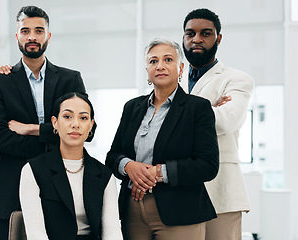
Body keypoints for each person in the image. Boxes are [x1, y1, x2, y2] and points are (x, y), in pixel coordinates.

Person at [0, 6, 88, 239]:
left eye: (39, 31)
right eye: (25, 31)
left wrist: (32, 129)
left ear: (48, 36)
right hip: (9, 190)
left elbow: (86, 131)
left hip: (60, 188)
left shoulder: (71, 79)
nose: (32, 36)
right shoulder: (0, 79)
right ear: (17, 36)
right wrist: (52, 142)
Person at [105, 38, 219, 240]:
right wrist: (129, 166)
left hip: (180, 212)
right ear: (147, 69)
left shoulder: (197, 108)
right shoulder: (132, 107)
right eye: (153, 61)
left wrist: (157, 173)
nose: (160, 66)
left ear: (180, 67)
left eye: (168, 60)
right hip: (132, 210)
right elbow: (113, 156)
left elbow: (207, 165)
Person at [181, 8, 254, 240]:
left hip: (221, 191)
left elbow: (225, 122)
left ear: (218, 38)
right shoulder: (172, 80)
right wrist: (210, 107)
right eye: (190, 33)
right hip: (180, 191)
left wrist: (178, 112)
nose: (197, 39)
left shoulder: (237, 79)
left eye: (206, 33)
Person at [19, 92, 123, 240]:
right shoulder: (33, 170)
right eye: (67, 116)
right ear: (55, 122)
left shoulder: (105, 175)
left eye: (83, 118)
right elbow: (35, 231)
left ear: (91, 126)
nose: (75, 124)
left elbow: (112, 232)